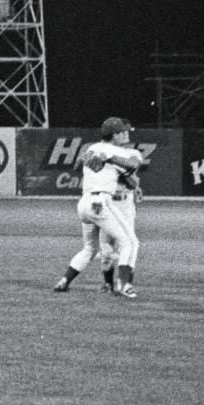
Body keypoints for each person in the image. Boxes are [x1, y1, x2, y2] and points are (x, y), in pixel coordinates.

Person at [53, 117, 142, 298]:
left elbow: (80, 164)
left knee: (90, 248)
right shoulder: (117, 152)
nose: (126, 134)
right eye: (122, 132)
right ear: (114, 135)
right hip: (101, 202)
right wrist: (111, 158)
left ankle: (64, 281)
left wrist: (101, 159)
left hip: (84, 203)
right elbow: (132, 166)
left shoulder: (92, 148)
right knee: (131, 242)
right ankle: (124, 285)